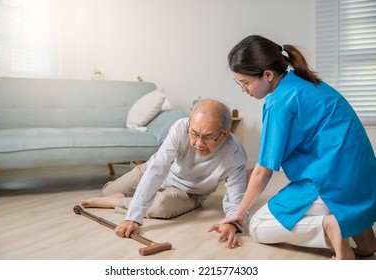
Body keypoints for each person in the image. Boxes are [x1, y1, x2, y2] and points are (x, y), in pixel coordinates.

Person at [210, 35, 376, 260]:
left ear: (267, 75)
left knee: (258, 225)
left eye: (245, 82)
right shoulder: (302, 81)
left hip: (331, 181)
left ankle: (329, 226)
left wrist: (239, 214)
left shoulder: (279, 102)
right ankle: (364, 242)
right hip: (362, 176)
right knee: (366, 250)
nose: (243, 89)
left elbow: (263, 171)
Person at [81, 98, 249, 248]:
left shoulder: (235, 155)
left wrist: (232, 224)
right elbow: (157, 169)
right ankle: (116, 197)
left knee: (161, 207)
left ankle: (117, 202)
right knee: (107, 190)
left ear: (225, 133)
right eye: (194, 133)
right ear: (189, 125)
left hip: (189, 192)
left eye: (208, 137)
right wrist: (133, 216)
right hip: (157, 171)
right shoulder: (180, 127)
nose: (199, 143)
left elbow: (237, 199)